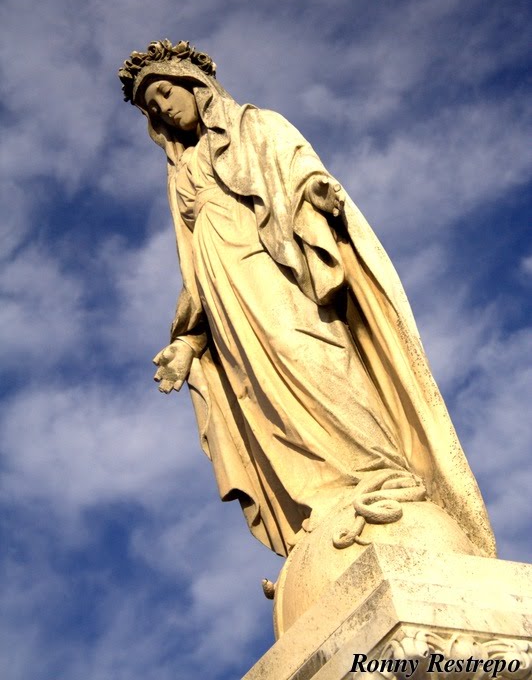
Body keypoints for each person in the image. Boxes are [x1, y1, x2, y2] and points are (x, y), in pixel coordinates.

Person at [118, 40, 496, 559]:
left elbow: (295, 164)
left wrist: (314, 193)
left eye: (165, 92)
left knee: (313, 357)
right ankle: (327, 497)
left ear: (193, 84)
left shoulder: (253, 126)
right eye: (153, 108)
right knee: (264, 396)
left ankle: (380, 473)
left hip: (271, 267)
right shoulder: (181, 174)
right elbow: (191, 271)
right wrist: (189, 339)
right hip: (224, 294)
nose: (164, 108)